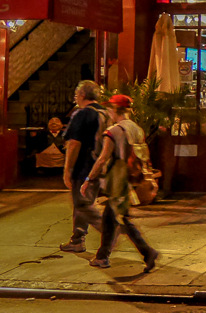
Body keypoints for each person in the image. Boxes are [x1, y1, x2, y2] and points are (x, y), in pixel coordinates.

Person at [81, 95, 159, 271]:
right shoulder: (137, 129)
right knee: (111, 217)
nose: (108, 111)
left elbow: (102, 159)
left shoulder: (113, 131)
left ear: (115, 110)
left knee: (121, 218)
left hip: (118, 179)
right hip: (132, 179)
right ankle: (102, 256)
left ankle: (147, 251)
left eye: (110, 108)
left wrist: (88, 179)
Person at [59, 81, 106, 253]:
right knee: (85, 203)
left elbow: (74, 144)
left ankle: (108, 230)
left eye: (76, 95)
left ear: (82, 95)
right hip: (102, 166)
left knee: (82, 204)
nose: (75, 98)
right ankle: (78, 238)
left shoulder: (82, 114)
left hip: (84, 166)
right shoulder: (105, 113)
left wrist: (67, 170)